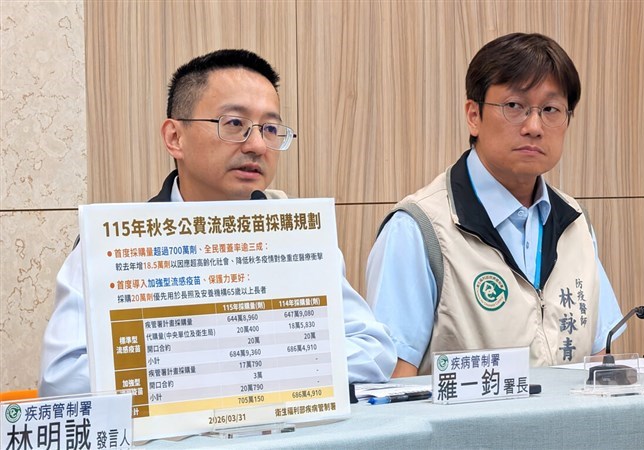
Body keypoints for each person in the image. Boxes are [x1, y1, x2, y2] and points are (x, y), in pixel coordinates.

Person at [39, 49, 396, 396]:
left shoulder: (295, 236)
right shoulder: (114, 245)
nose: (257, 144)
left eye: (270, 129)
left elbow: (374, 351)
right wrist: (236, 365)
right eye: (235, 124)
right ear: (174, 137)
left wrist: (248, 368)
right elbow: (63, 378)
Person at [367, 33, 625, 376]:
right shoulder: (419, 228)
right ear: (473, 115)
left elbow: (600, 356)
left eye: (550, 109)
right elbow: (393, 385)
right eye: (515, 106)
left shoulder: (575, 222)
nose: (534, 127)